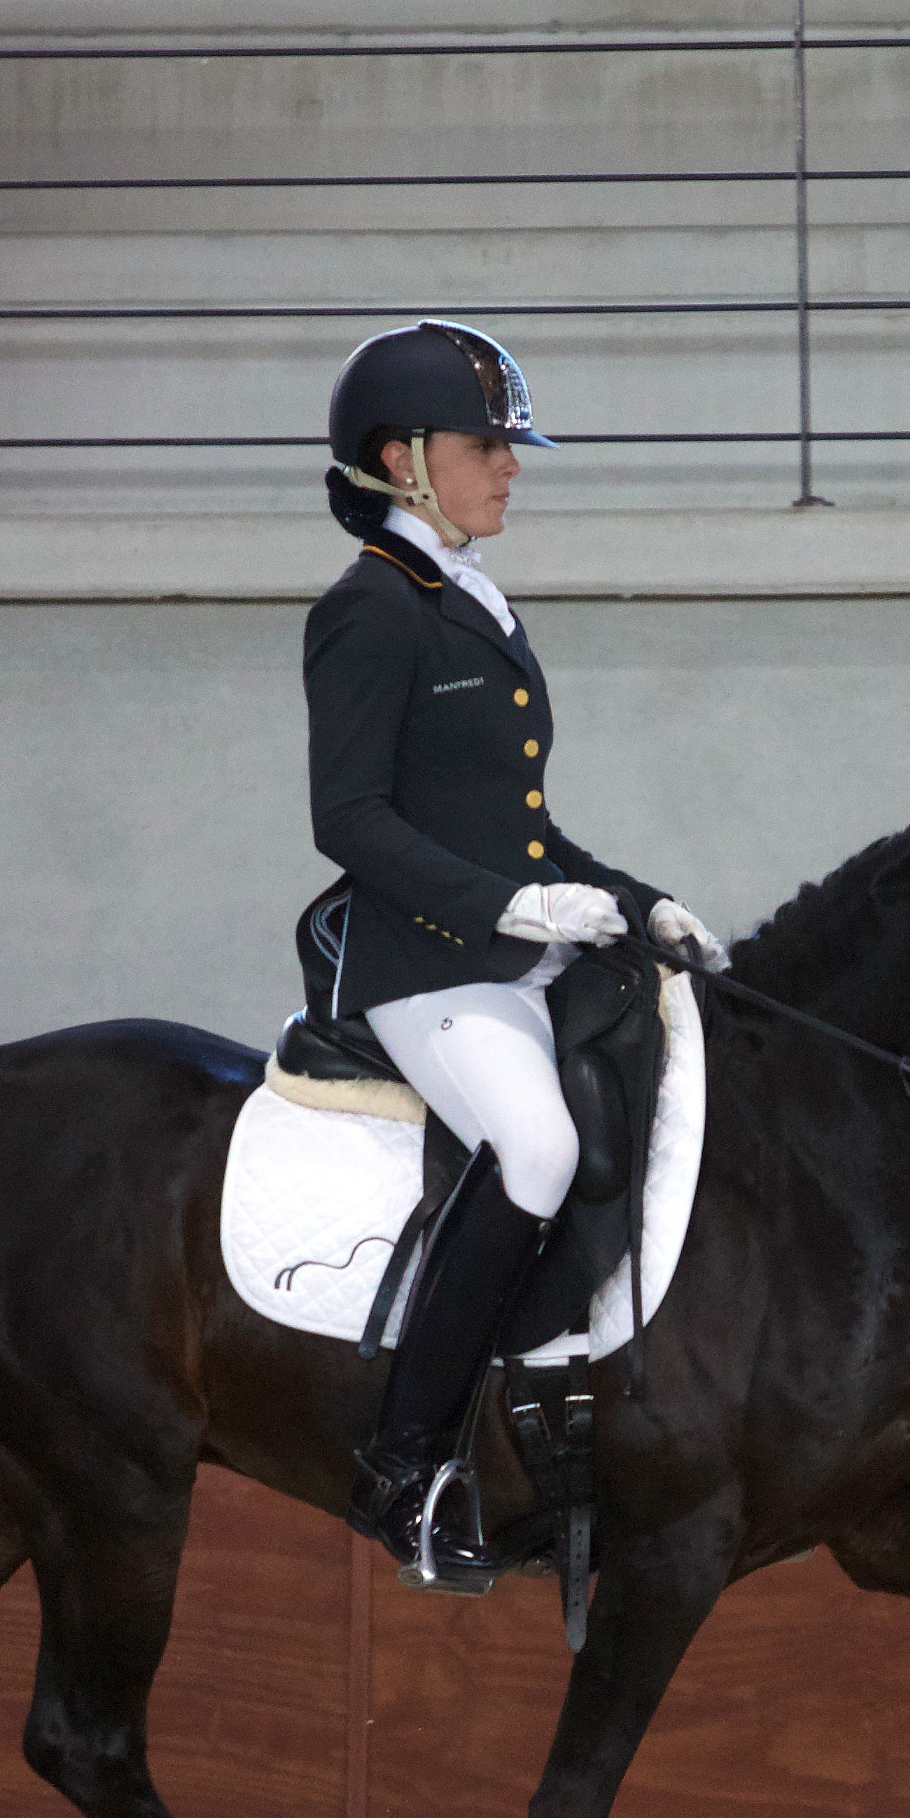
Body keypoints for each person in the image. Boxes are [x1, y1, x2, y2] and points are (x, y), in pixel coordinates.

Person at [302, 320, 725, 1578]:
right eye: (486, 445)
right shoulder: (370, 610)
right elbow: (350, 821)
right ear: (404, 459)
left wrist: (637, 903)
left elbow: (520, 825)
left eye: (508, 444)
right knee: (532, 1144)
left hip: (508, 946)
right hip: (423, 967)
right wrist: (509, 910)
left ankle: (553, 1393)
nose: (511, 465)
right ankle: (403, 1463)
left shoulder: (470, 598)